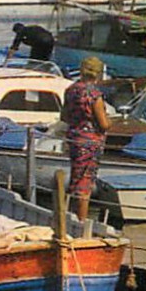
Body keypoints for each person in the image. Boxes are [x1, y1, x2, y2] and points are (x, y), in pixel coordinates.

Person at [62, 56, 114, 227]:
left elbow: (64, 116)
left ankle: (67, 217)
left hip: (74, 137)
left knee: (75, 179)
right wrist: (111, 121)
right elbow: (104, 124)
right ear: (98, 73)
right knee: (85, 182)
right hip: (90, 141)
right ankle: (81, 223)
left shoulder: (71, 90)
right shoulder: (94, 94)